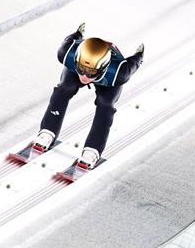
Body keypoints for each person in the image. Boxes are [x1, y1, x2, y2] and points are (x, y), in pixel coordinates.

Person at [32, 22, 144, 169]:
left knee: (106, 104)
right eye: (82, 68)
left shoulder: (119, 72)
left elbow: (134, 62)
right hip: (81, 67)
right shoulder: (67, 53)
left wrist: (139, 55)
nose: (84, 76)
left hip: (107, 81)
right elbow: (70, 39)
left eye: (90, 72)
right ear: (76, 60)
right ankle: (47, 132)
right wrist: (78, 33)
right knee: (65, 88)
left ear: (103, 67)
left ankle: (93, 149)